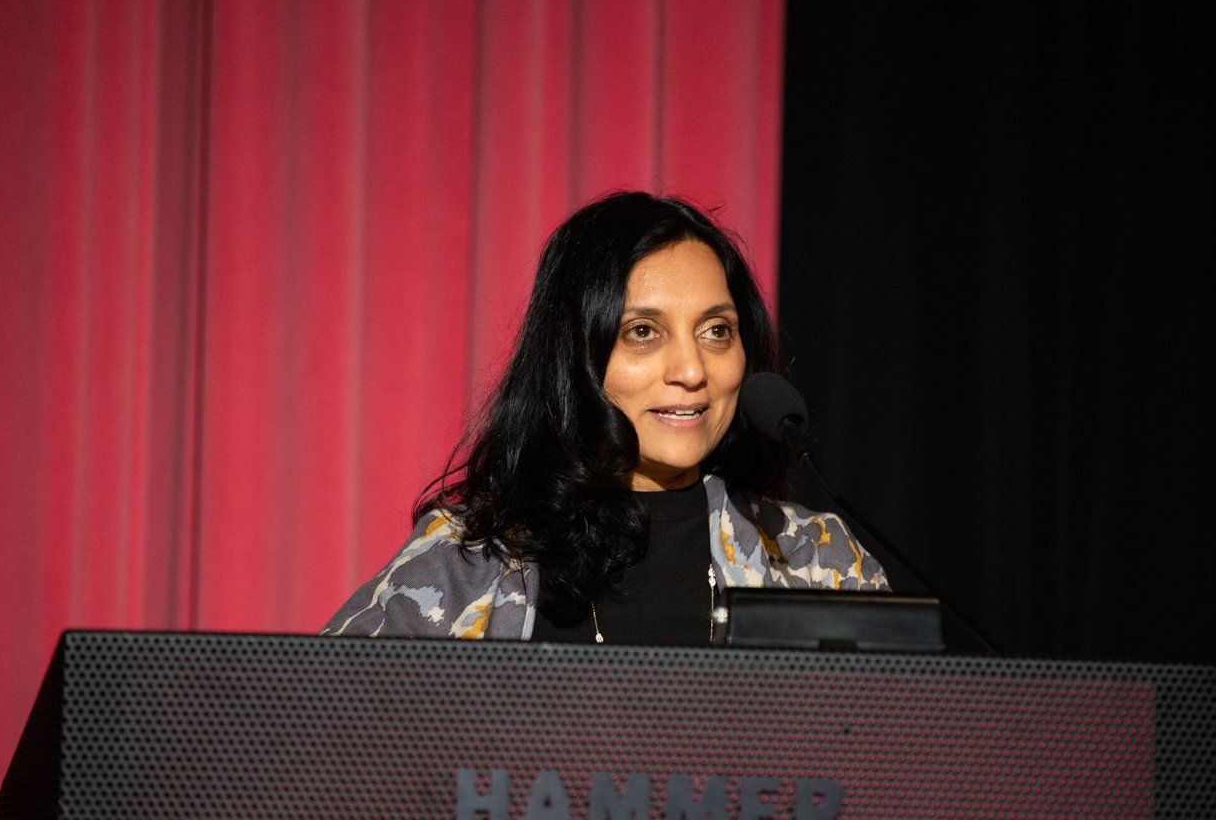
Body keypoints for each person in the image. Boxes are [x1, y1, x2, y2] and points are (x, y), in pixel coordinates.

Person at [322, 192, 888, 644]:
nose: (692, 370)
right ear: (577, 356)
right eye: (643, 332)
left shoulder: (816, 559)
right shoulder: (469, 561)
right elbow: (308, 725)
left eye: (716, 331)